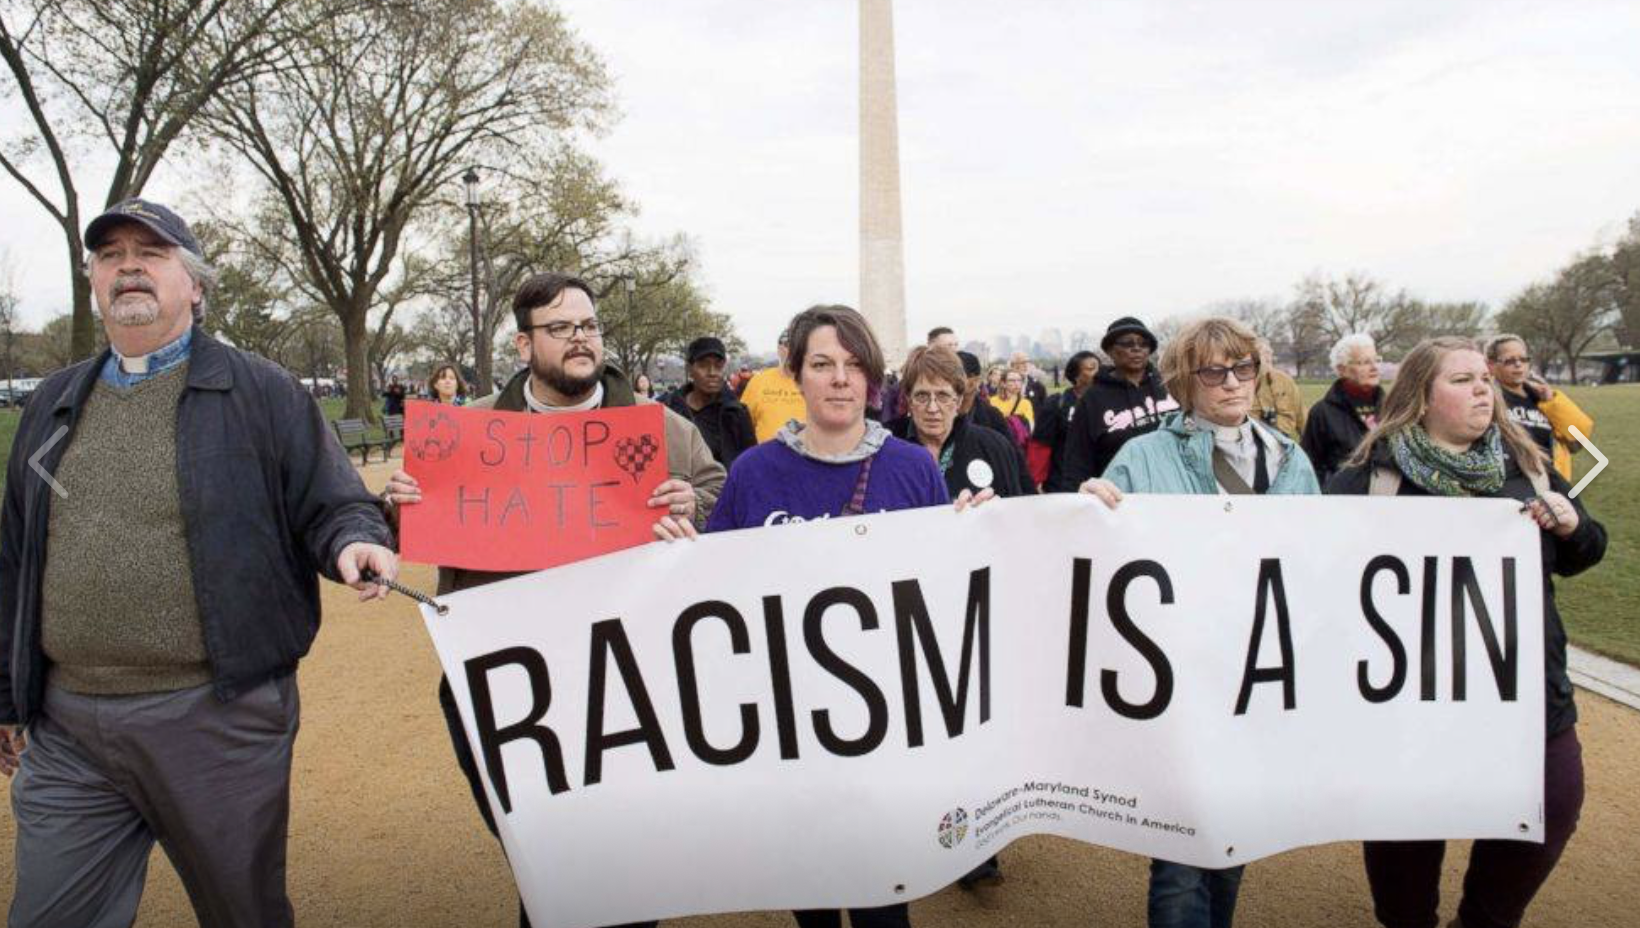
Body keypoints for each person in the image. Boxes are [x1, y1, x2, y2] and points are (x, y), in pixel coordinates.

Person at [0, 198, 398, 928]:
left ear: (196, 285)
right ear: (92, 279)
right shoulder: (54, 402)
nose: (127, 268)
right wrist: (8, 694)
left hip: (215, 720)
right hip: (69, 728)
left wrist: (353, 540)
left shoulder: (260, 391)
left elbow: (333, 501)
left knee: (242, 913)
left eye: (150, 254)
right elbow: (16, 555)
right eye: (109, 255)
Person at [383, 272, 723, 928]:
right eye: (561, 328)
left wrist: (697, 506)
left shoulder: (664, 432)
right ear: (522, 344)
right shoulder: (468, 432)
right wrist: (397, 506)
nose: (580, 339)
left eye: (588, 326)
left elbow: (720, 498)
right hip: (506, 681)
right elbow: (406, 532)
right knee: (547, 861)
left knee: (625, 866)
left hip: (629, 683)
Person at [704, 305, 990, 928]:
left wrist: (981, 536)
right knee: (811, 893)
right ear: (795, 374)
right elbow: (712, 589)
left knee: (883, 899)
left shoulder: (912, 469)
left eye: (854, 366)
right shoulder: (753, 473)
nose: (839, 379)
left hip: (883, 724)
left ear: (872, 379)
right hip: (790, 725)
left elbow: (942, 590)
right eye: (823, 364)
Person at [1325, 336, 1606, 928]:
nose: (1484, 387)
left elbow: (1587, 550)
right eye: (1462, 379)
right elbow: (1307, 573)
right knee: (1407, 855)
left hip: (1529, 702)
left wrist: (1572, 523)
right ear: (1420, 400)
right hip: (1412, 710)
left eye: (1484, 377)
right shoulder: (1369, 481)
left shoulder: (1527, 466)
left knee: (1552, 808)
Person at [1079, 317, 1318, 928]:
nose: (1233, 382)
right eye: (1214, 370)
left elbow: (1317, 562)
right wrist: (1089, 509)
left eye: (1243, 367)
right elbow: (1096, 550)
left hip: (1255, 673)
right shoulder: (1143, 454)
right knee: (1182, 858)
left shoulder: (1290, 459)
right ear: (1186, 381)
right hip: (1180, 674)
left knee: (1232, 840)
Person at [1049, 316, 1178, 490]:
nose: (1136, 349)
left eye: (1143, 343)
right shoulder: (1092, 400)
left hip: (1177, 493)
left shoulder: (1171, 386)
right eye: (1127, 343)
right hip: (1121, 501)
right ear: (1110, 350)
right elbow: (1076, 464)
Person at [889, 346, 1025, 500]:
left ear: (959, 400)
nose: (933, 408)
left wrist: (993, 512)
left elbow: (1015, 514)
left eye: (943, 396)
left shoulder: (993, 447)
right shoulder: (886, 449)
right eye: (922, 396)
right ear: (909, 400)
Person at [1485, 334, 1594, 481]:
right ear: (1491, 366)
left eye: (1523, 359)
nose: (1518, 365)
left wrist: (1552, 403)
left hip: (1553, 485)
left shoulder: (1543, 398)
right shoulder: (1487, 399)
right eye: (1509, 361)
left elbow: (1578, 441)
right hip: (1511, 486)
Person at [1300, 332, 1382, 485]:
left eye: (1376, 360)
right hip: (1343, 500)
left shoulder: (1394, 408)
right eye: (1364, 362)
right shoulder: (1322, 413)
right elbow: (1310, 468)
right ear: (1342, 369)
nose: (1374, 367)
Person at [667, 335, 757, 468]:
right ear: (690, 369)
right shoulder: (669, 410)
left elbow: (750, 463)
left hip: (726, 486)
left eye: (718, 366)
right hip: (679, 485)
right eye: (703, 365)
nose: (712, 372)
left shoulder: (737, 413)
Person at [1033, 350, 1100, 491]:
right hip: (1063, 484)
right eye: (1091, 368)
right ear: (1076, 376)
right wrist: (1035, 482)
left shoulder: (1108, 402)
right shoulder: (1057, 404)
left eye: (1099, 368)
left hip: (1101, 482)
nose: (1098, 372)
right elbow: (1040, 446)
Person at [741, 329, 810, 443]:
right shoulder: (759, 381)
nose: (792, 350)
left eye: (798, 345)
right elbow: (741, 425)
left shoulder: (815, 382)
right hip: (764, 457)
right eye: (787, 345)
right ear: (779, 349)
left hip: (806, 456)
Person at [1251, 338, 1305, 441]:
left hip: (1282, 446)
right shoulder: (1241, 384)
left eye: (1269, 352)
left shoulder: (1284, 381)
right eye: (1263, 353)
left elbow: (1302, 418)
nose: (1269, 355)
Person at [958, 350, 1012, 438]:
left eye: (957, 376)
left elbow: (1010, 449)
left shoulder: (992, 416)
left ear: (975, 380)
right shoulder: (937, 412)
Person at [989, 369, 1035, 450]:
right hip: (997, 444)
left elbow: (1029, 427)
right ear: (1003, 383)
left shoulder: (1025, 403)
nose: (1016, 383)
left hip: (1017, 446)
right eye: (1012, 380)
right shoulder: (992, 401)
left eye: (1019, 380)